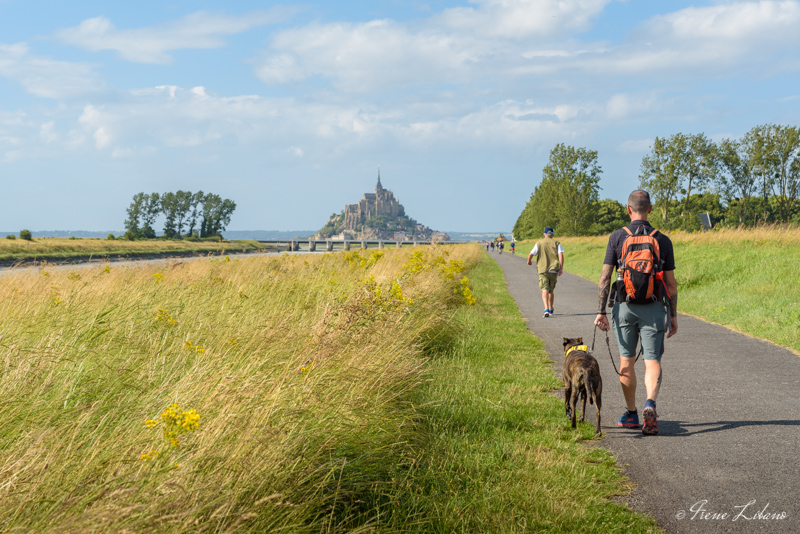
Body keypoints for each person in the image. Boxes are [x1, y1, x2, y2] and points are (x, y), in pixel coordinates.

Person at [594, 190, 678, 436]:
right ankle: (650, 403)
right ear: (650, 209)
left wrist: (601, 312)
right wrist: (672, 315)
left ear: (628, 209)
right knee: (652, 361)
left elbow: (604, 277)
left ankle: (631, 414)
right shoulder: (662, 240)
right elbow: (671, 284)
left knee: (626, 362)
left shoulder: (618, 237)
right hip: (653, 307)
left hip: (624, 307)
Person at [527, 227, 563, 318]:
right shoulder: (557, 243)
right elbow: (561, 255)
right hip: (554, 269)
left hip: (542, 269)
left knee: (544, 289)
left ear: (544, 234)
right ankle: (551, 308)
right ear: (552, 234)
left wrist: (529, 261)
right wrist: (561, 268)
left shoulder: (539, 243)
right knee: (551, 290)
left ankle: (546, 309)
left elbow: (531, 254)